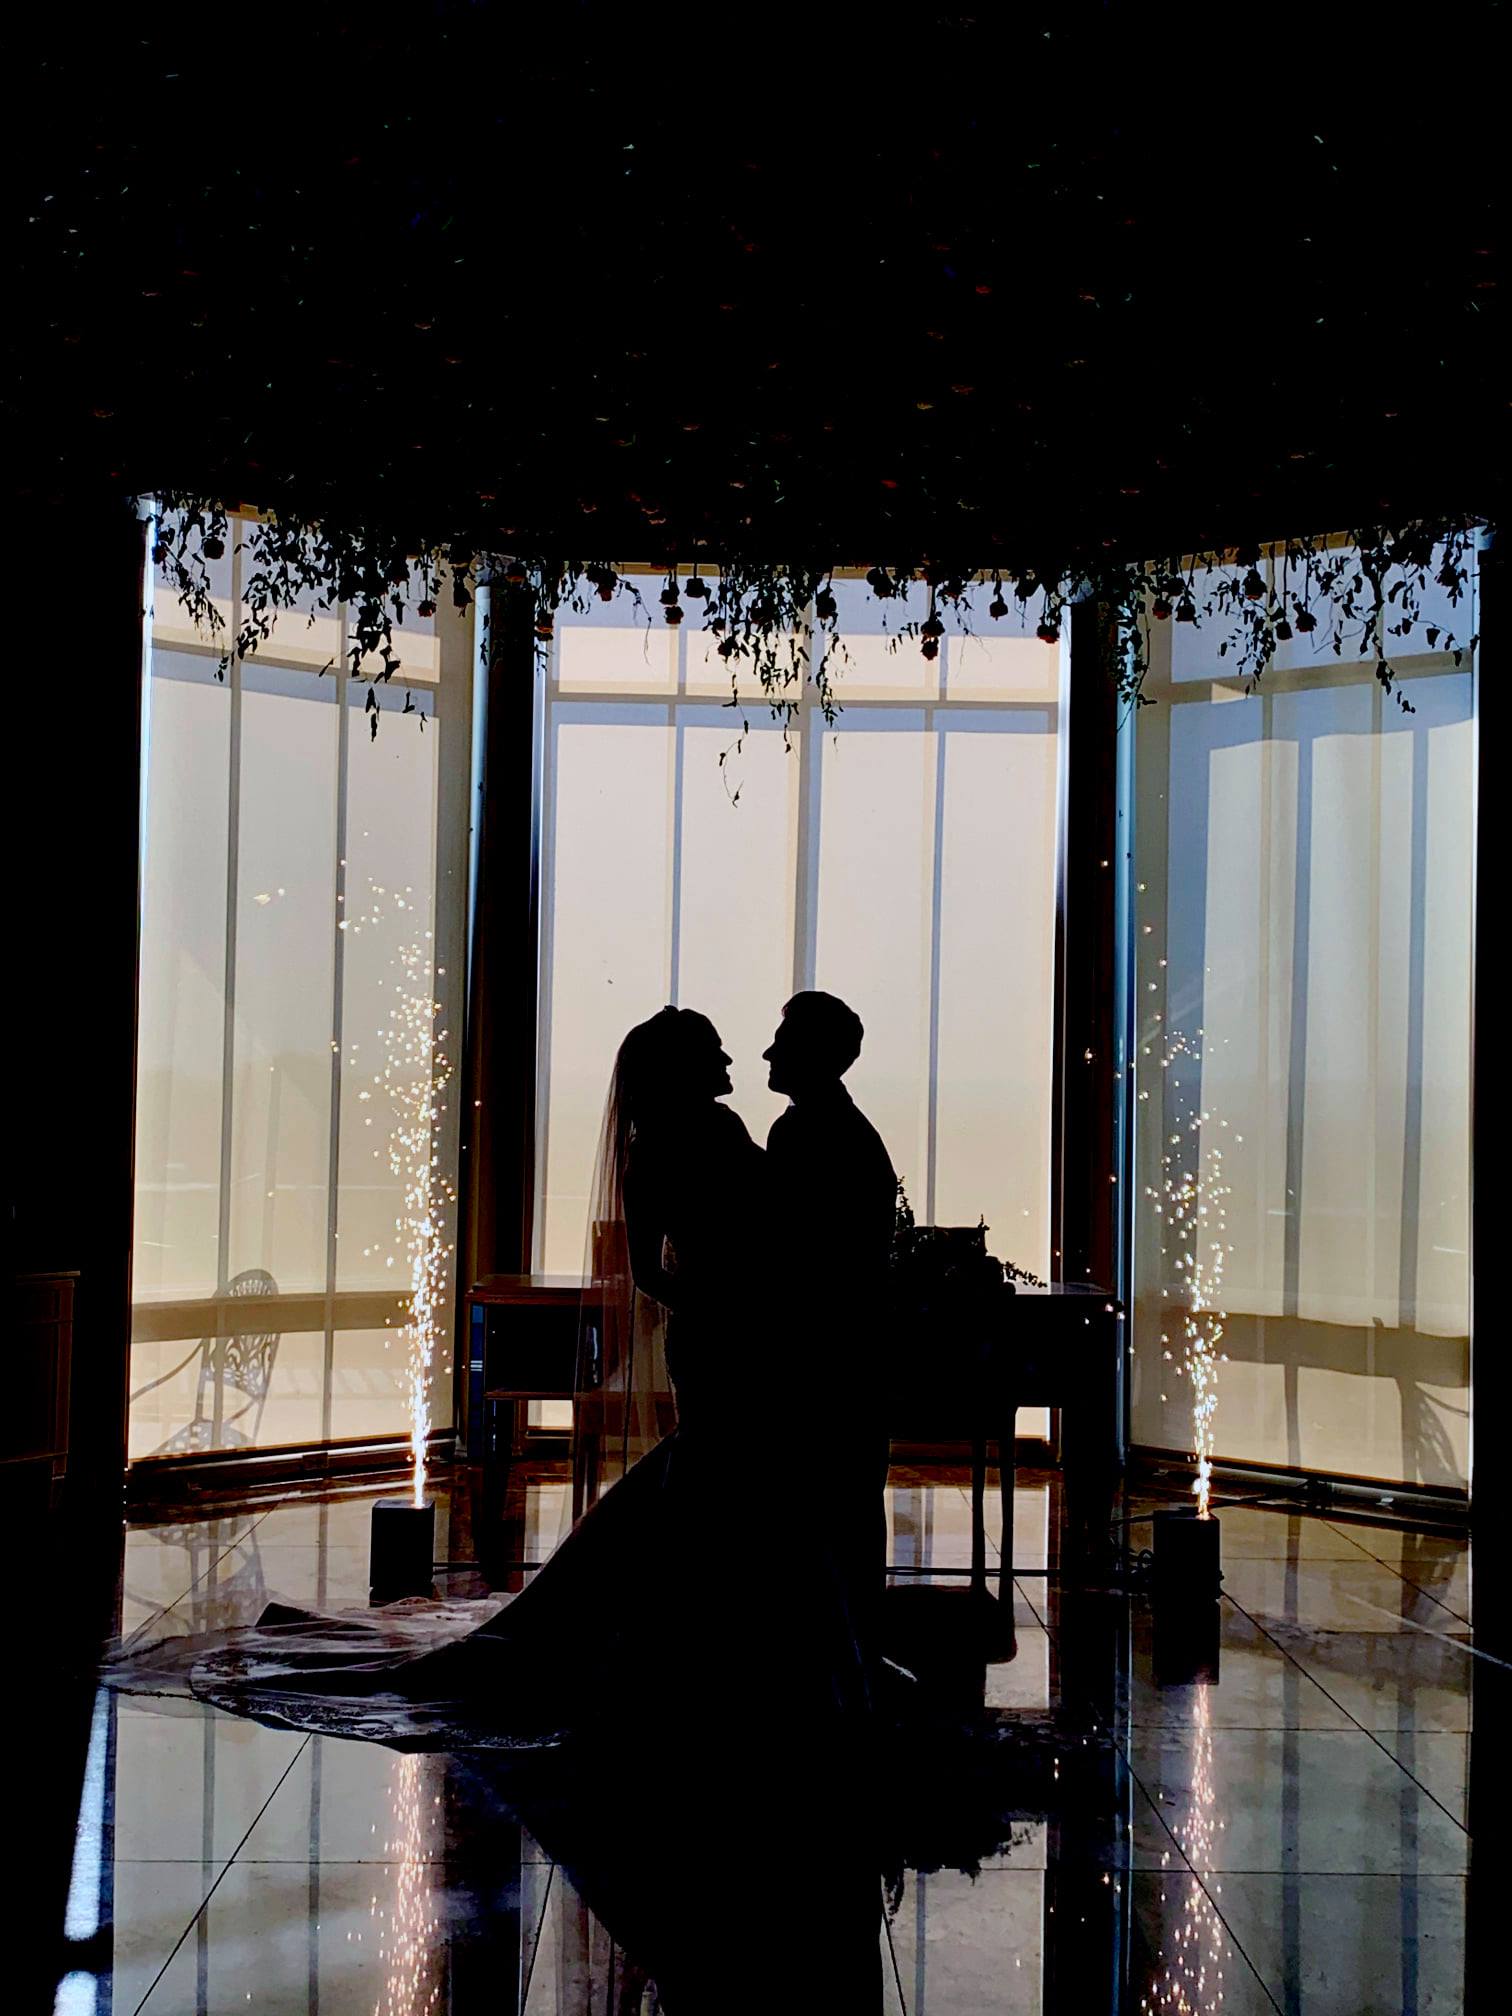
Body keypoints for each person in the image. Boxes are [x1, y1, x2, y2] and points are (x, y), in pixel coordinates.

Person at [762, 992, 897, 1660]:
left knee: (824, 1505)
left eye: (782, 1041)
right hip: (850, 1352)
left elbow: (788, 1254)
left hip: (820, 1356)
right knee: (846, 1508)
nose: (767, 1052)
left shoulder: (805, 1135)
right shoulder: (846, 1131)